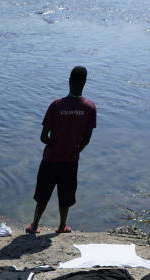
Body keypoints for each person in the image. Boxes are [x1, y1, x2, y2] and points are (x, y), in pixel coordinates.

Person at [27, 66, 97, 234]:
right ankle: (61, 226)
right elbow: (87, 138)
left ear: (69, 81)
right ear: (85, 83)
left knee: (43, 194)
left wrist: (54, 144)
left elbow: (43, 137)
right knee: (66, 196)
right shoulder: (90, 108)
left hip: (51, 159)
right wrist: (75, 150)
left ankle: (35, 225)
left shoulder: (56, 105)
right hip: (71, 161)